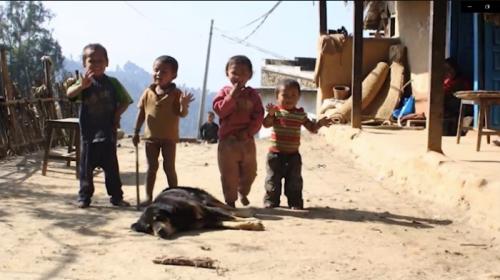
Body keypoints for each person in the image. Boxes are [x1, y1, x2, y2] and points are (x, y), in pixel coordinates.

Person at [67, 43, 133, 208]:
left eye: (100, 61)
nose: (96, 64)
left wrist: (117, 115)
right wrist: (82, 86)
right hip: (88, 135)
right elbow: (69, 94)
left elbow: (126, 100)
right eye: (91, 61)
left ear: (107, 62)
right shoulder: (82, 83)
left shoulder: (113, 83)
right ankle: (84, 197)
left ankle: (116, 196)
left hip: (108, 133)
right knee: (86, 169)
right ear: (84, 63)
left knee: (111, 168)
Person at [132, 55, 194, 206]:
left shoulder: (176, 93)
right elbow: (141, 113)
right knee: (151, 168)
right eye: (156, 70)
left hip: (169, 138)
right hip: (150, 138)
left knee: (169, 167)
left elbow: (182, 113)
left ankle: (175, 197)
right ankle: (148, 197)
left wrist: (184, 105)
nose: (158, 74)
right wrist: (135, 131)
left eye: (164, 71)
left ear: (174, 75)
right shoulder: (148, 92)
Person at [262, 79, 333, 210]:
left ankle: (295, 202)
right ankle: (271, 201)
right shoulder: (276, 112)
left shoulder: (300, 114)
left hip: (293, 156)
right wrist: (270, 114)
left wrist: (320, 124)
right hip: (275, 155)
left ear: (299, 97)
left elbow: (311, 128)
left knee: (294, 181)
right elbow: (266, 124)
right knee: (272, 180)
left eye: (293, 95)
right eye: (285, 95)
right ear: (277, 96)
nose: (289, 98)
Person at [213, 55, 264, 208]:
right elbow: (220, 111)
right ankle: (230, 201)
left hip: (247, 142)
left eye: (243, 73)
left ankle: (243, 190)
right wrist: (231, 97)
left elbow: (258, 116)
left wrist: (249, 132)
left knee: (250, 172)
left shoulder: (253, 95)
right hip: (227, 143)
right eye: (234, 72)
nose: (238, 76)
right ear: (227, 73)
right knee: (229, 175)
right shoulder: (223, 92)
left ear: (250, 75)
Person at [443, 57, 472, 136]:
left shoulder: (460, 81)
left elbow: (446, 90)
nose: (447, 72)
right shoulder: (448, 80)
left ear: (455, 69)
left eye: (449, 69)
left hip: (463, 106)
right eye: (445, 70)